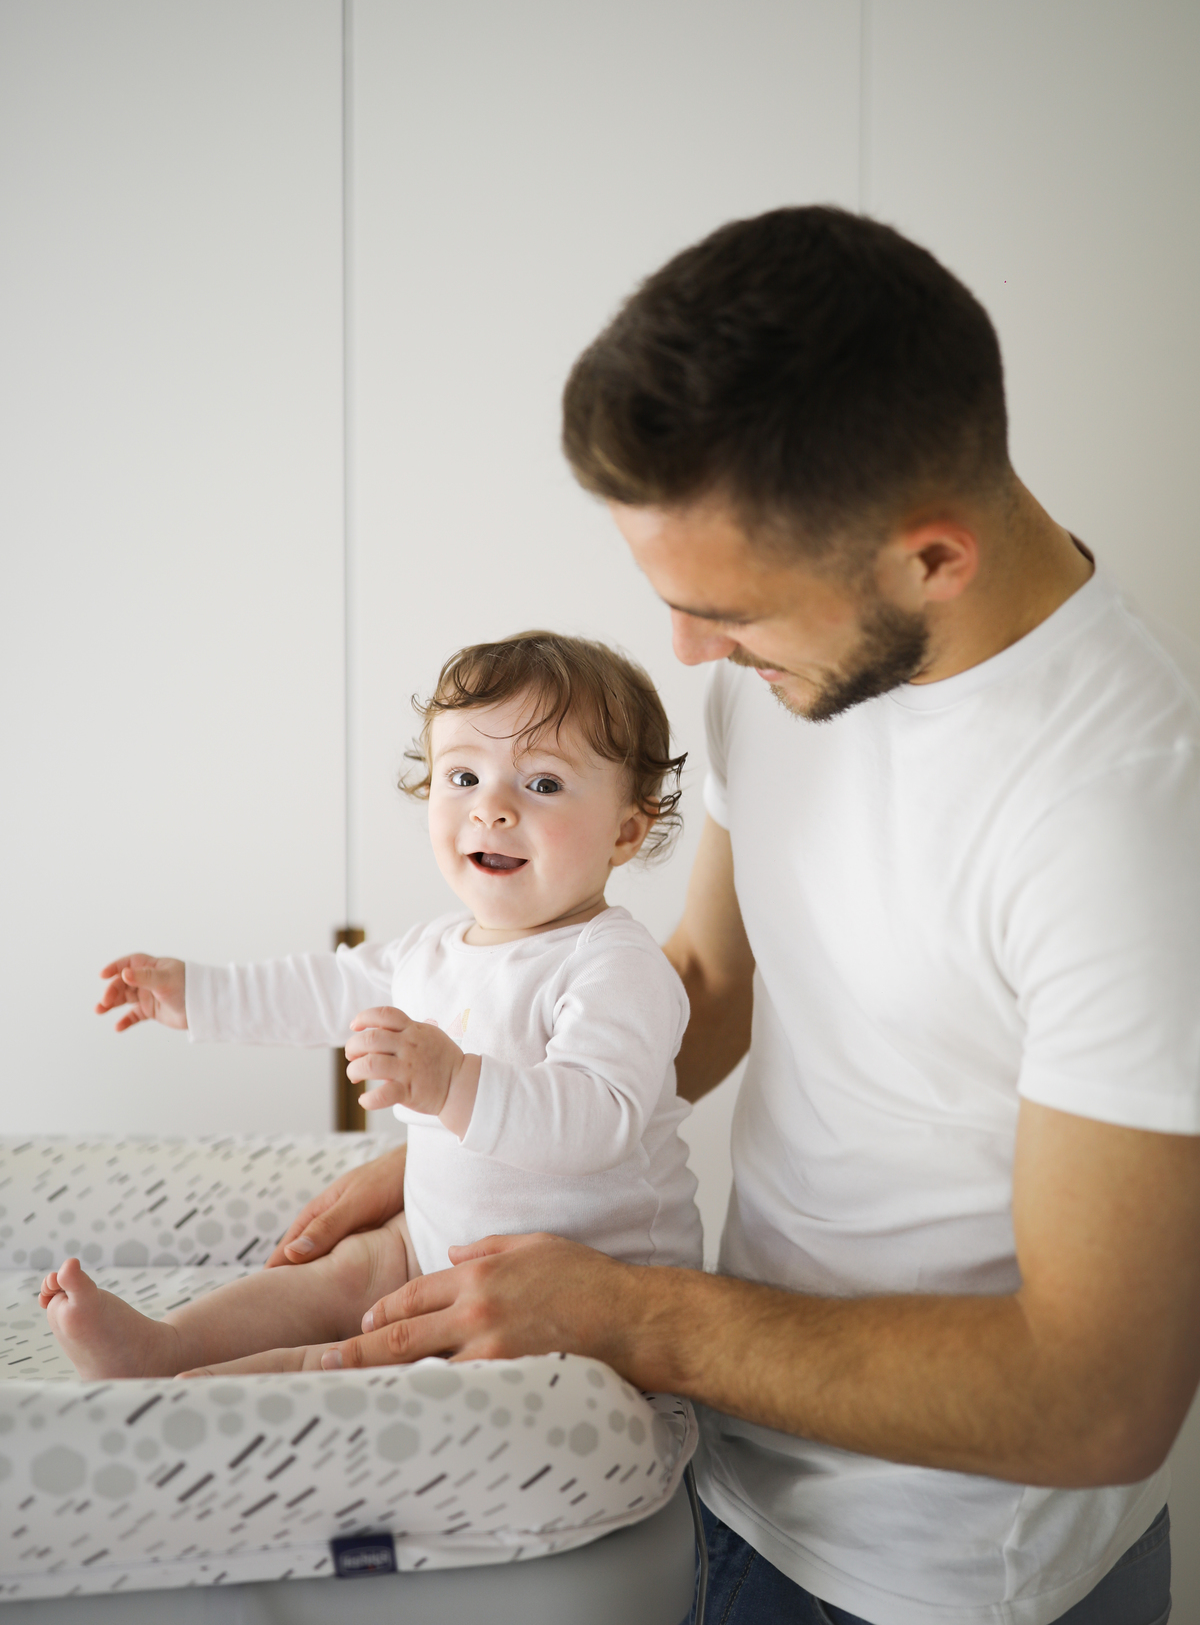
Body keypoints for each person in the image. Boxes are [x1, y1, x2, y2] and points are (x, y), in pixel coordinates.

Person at [257, 209, 1200, 1625]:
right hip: (726, 1460)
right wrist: (495, 1133)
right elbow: (706, 983)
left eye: (731, 613)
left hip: (946, 1576)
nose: (693, 652)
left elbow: (1099, 1399)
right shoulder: (788, 675)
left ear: (929, 558)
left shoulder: (1123, 820)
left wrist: (632, 1315)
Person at [42, 631, 702, 1379]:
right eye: (461, 777)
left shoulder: (615, 963)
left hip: (583, 1293)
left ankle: (231, 1394)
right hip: (431, 1243)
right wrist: (199, 994)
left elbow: (598, 1120)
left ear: (626, 830)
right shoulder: (434, 951)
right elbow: (323, 989)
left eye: (542, 784)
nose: (492, 808)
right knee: (346, 1272)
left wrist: (454, 1084)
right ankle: (165, 1347)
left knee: (371, 1348)